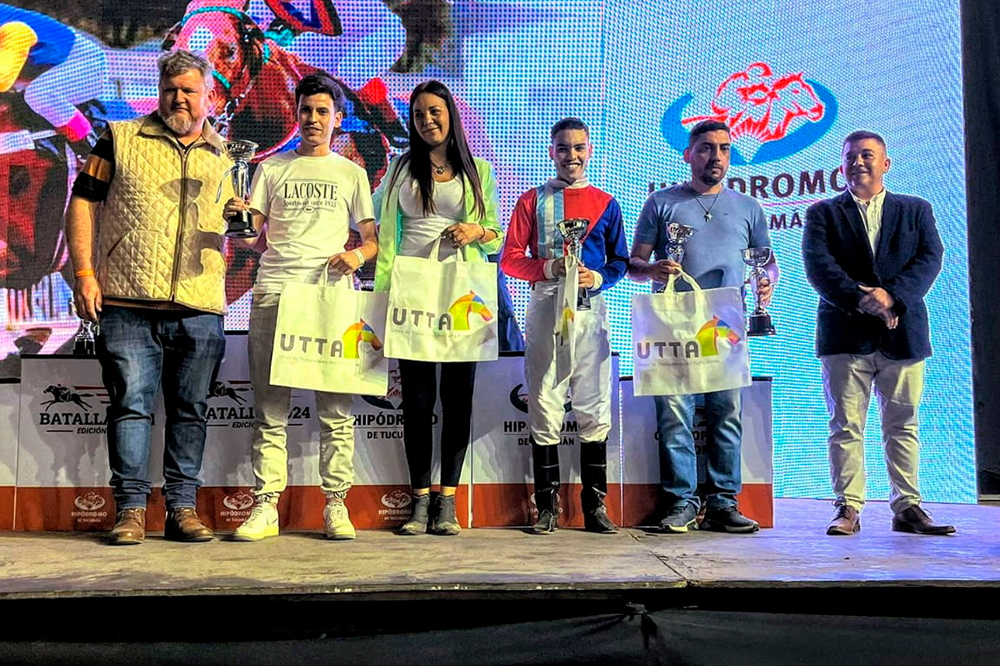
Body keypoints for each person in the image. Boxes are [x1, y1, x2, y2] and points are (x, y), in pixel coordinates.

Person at [65, 49, 232, 545]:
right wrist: (84, 273)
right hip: (127, 303)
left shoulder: (228, 156)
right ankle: (131, 511)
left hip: (199, 305)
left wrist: (247, 222)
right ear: (158, 93)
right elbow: (82, 202)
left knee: (191, 410)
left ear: (208, 96)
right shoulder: (119, 138)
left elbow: (244, 231)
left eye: (188, 90)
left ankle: (182, 509)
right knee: (130, 408)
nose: (178, 98)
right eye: (169, 90)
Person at [224, 73, 377, 541]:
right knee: (270, 410)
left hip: (331, 297)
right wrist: (236, 218)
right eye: (306, 110)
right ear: (296, 114)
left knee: (336, 410)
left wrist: (356, 256)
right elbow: (251, 237)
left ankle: (336, 505)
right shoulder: (270, 168)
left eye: (322, 111)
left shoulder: (351, 173)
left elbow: (372, 241)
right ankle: (266, 506)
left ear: (337, 119)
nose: (313, 119)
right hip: (276, 292)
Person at [802, 130, 953, 536]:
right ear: (842, 166)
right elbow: (819, 267)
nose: (858, 162)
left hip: (903, 335)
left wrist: (892, 297)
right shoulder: (822, 213)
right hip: (844, 334)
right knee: (846, 426)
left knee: (903, 424)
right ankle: (848, 507)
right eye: (850, 156)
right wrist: (862, 300)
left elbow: (930, 259)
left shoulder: (916, 209)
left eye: (867, 155)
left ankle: (907, 507)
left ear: (886, 163)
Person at [629, 119, 774, 535]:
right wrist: (652, 269)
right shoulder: (661, 202)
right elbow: (634, 263)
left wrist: (766, 282)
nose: (717, 156)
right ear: (688, 154)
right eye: (707, 148)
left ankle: (723, 503)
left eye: (724, 148)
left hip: (724, 322)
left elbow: (767, 263)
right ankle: (682, 502)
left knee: (726, 413)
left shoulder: (749, 207)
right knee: (675, 415)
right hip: (672, 325)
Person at [372, 80, 503, 535]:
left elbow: (496, 234)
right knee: (417, 402)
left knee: (457, 400)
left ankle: (447, 499)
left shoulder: (478, 170)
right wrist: (382, 290)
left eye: (435, 111)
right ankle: (419, 500)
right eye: (418, 114)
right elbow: (379, 225)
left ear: (450, 115)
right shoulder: (399, 168)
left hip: (461, 294)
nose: (427, 120)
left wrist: (476, 231)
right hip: (413, 293)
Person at [500, 117, 628, 534]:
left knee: (594, 401)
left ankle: (595, 507)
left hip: (590, 309)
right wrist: (547, 267)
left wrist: (598, 277)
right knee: (544, 398)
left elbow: (620, 261)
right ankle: (547, 508)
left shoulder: (606, 203)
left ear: (589, 150)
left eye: (578, 148)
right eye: (563, 148)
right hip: (546, 304)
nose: (571, 156)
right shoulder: (531, 201)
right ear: (551, 152)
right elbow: (509, 259)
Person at [0, 4, 107, 154]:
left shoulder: (14, 29)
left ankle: (91, 149)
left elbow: (2, 79)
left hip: (86, 63)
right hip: (49, 70)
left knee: (39, 94)